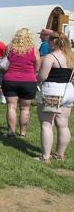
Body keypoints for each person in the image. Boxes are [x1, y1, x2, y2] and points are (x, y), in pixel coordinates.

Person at [36, 31, 74, 162]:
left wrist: (37, 78)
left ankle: (45, 156)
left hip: (53, 92)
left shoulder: (50, 57)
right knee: (63, 125)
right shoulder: (71, 57)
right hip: (68, 92)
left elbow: (42, 76)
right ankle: (59, 154)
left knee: (47, 124)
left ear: (53, 42)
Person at [2, 28, 40, 138]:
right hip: (28, 80)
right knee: (25, 108)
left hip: (10, 79)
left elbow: (5, 61)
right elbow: (37, 63)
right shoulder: (33, 48)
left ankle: (11, 132)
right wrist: (34, 72)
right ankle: (23, 133)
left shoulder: (9, 47)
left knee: (11, 106)